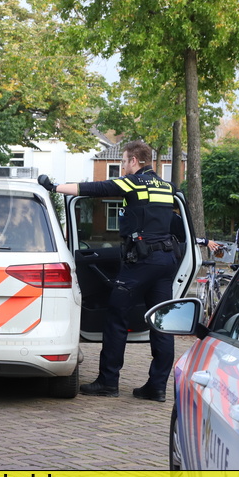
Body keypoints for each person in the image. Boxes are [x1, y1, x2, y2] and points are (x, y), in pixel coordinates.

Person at [38, 140, 177, 403]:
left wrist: (53, 187)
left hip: (141, 262)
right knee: (161, 323)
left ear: (134, 161)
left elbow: (93, 188)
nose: (122, 167)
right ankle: (157, 387)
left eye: (123, 162)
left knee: (116, 317)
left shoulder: (133, 183)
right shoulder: (168, 187)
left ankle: (108, 381)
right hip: (166, 260)